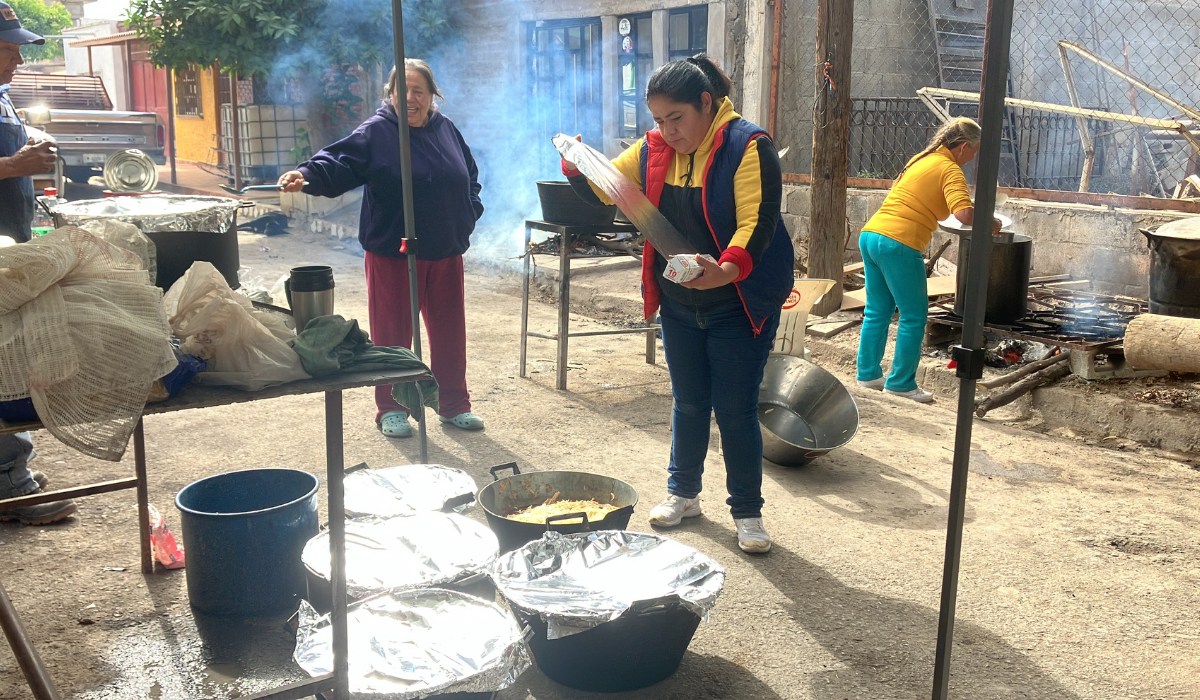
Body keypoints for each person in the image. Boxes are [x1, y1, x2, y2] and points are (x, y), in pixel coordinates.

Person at [564, 55, 794, 553]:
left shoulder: (747, 146)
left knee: (734, 409)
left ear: (706, 104)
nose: (667, 132)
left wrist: (727, 269)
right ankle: (683, 493)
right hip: (680, 301)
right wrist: (580, 167)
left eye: (677, 119)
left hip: (738, 299)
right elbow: (610, 195)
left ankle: (748, 512)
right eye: (658, 121)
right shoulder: (650, 151)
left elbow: (759, 221)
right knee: (689, 401)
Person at [280, 59, 485, 438]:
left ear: (431, 96)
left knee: (449, 334)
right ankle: (391, 408)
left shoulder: (446, 130)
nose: (410, 98)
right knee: (392, 335)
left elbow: (469, 175)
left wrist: (468, 213)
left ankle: (452, 404)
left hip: (444, 250)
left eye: (419, 90)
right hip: (394, 251)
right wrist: (305, 175)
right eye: (402, 90)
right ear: (389, 95)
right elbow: (338, 161)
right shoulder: (376, 132)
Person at [854, 117, 999, 403]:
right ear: (964, 147)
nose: (972, 158)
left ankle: (868, 374)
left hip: (872, 235)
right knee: (914, 314)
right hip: (899, 242)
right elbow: (963, 215)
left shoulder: (922, 159)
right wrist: (993, 224)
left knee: (878, 310)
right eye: (974, 152)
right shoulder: (949, 169)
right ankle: (901, 383)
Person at [0, 2, 77, 525]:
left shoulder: (3, 98)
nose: (17, 61)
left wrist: (28, 149)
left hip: (11, 242)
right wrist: (12, 164)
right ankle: (12, 485)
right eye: (8, 51)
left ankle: (10, 470)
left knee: (12, 357)